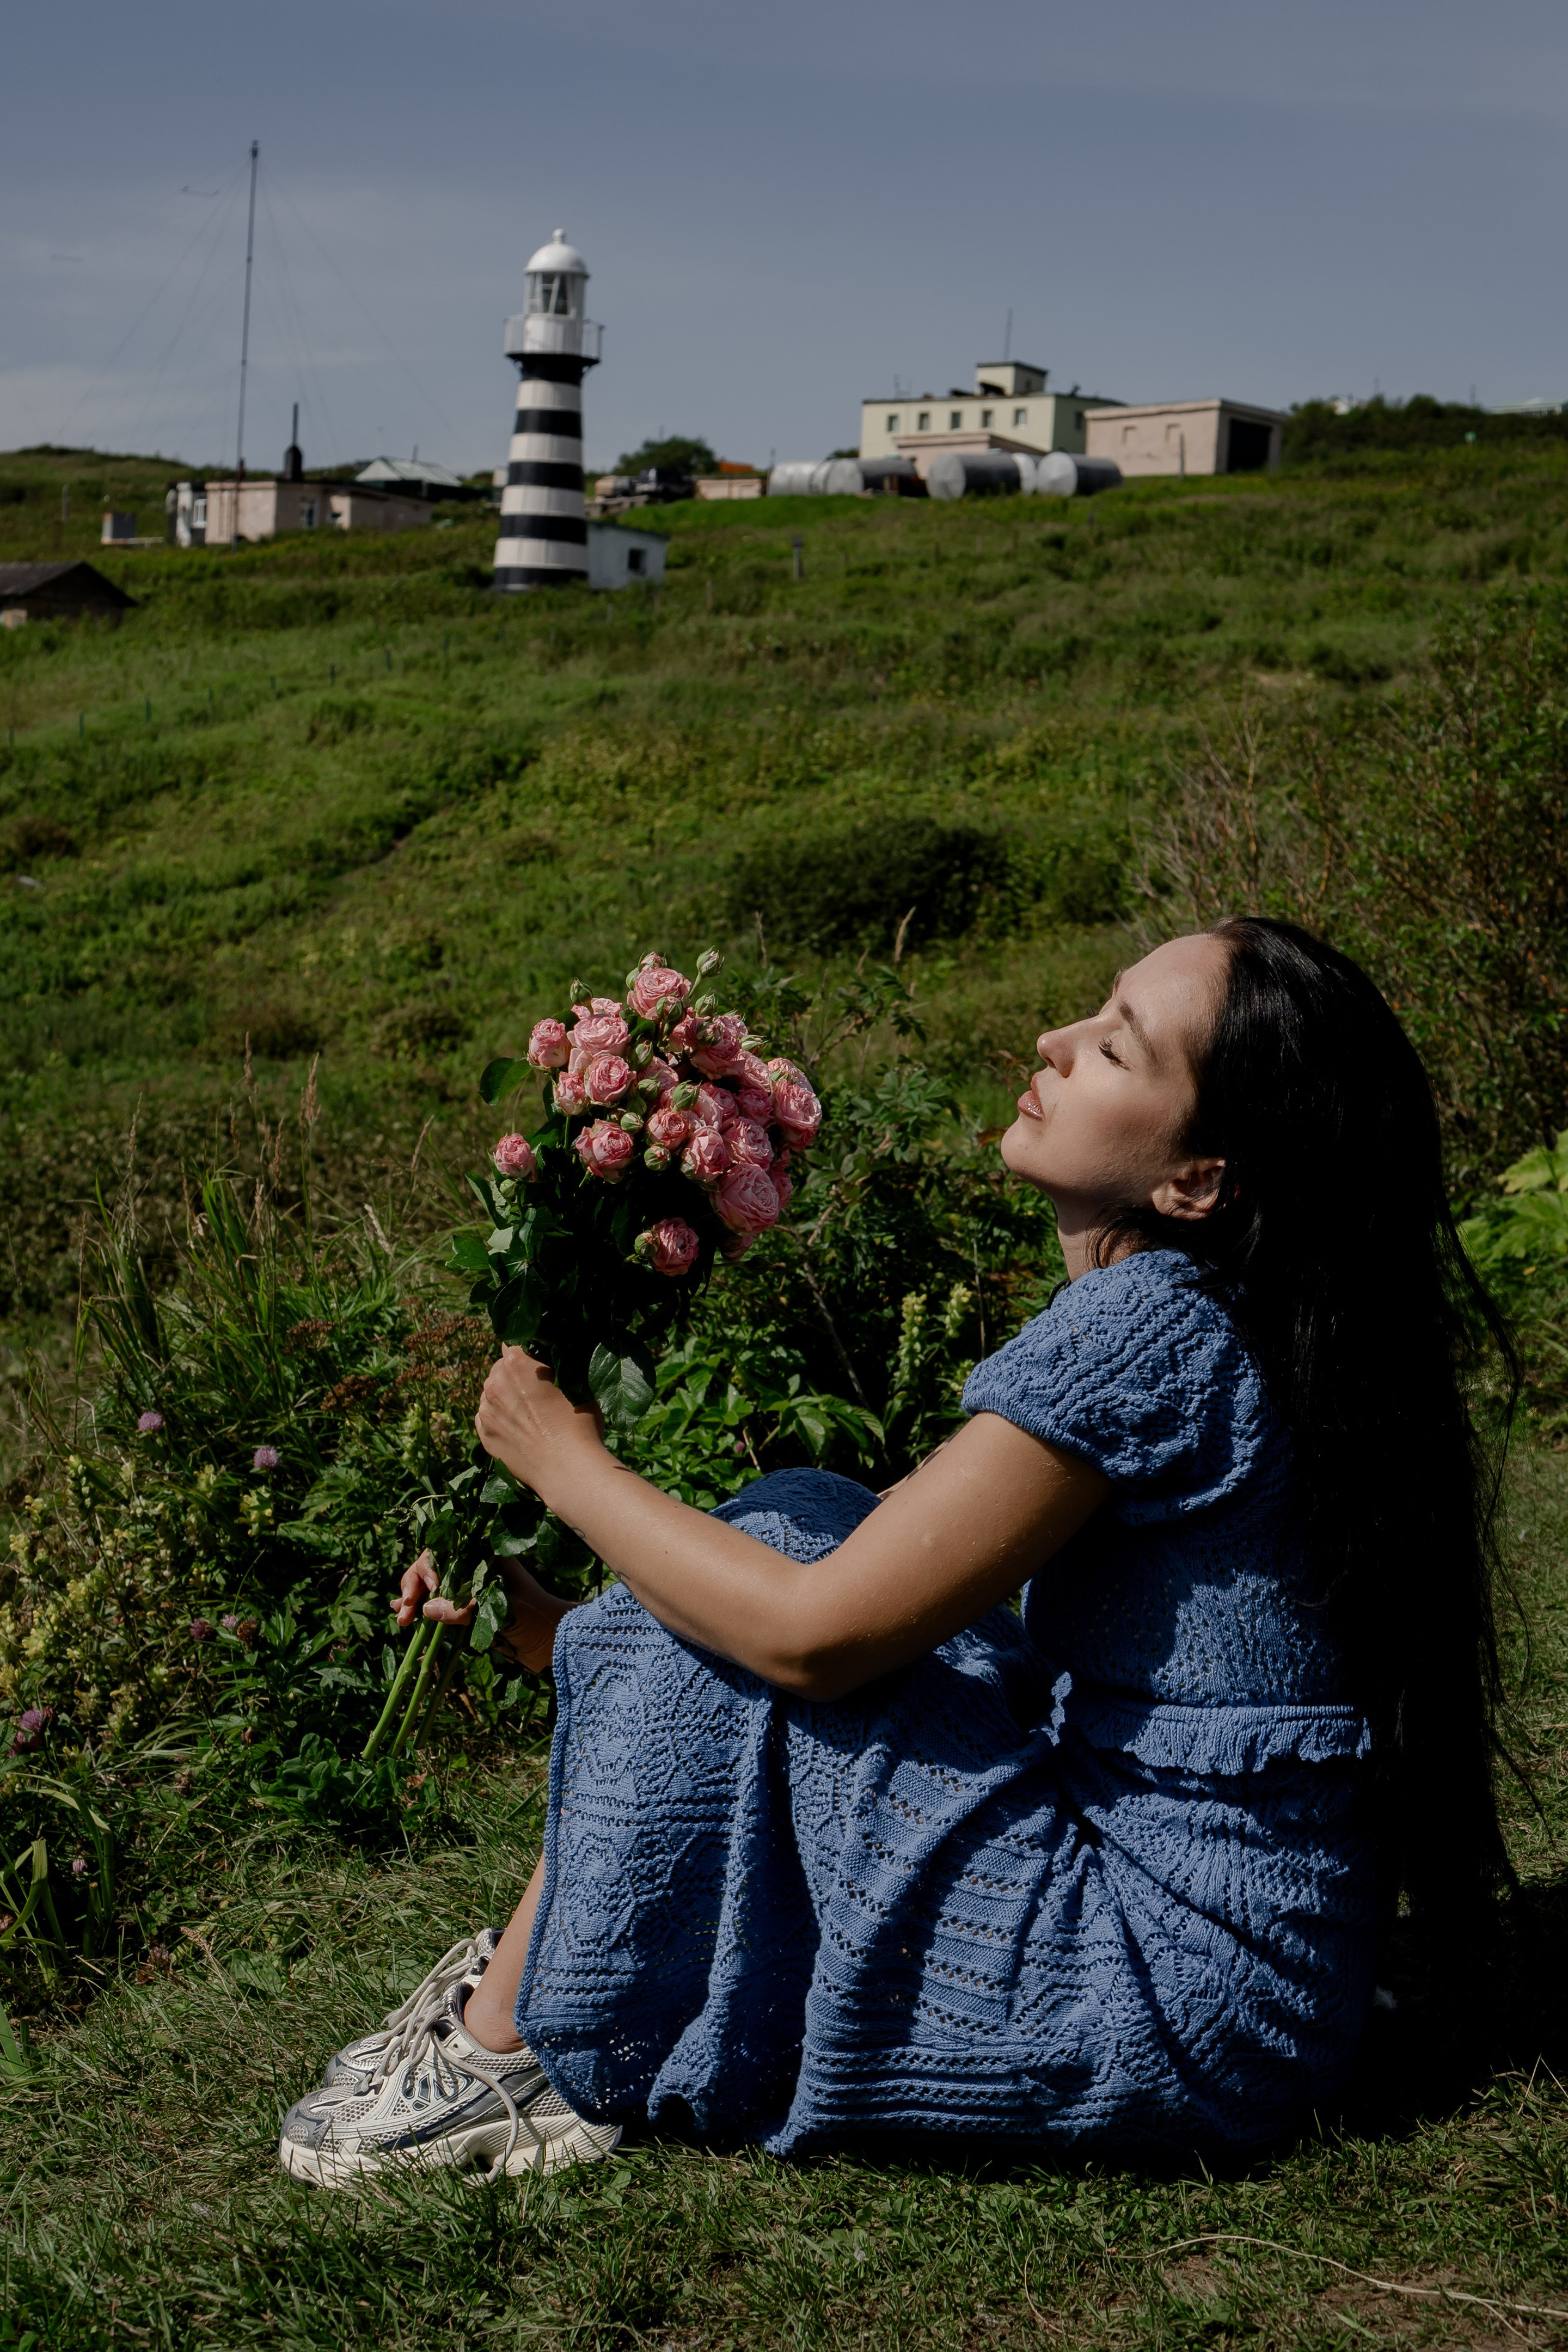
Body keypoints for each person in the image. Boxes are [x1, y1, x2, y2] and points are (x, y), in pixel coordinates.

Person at [278, 918, 1512, 2187]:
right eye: (1093, 1013)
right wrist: (567, 1628)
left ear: (1194, 1181)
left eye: (1115, 1048)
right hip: (1260, 1987)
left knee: (784, 1560)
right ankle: (542, 1879)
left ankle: (511, 2057)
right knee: (807, 1508)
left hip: (1157, 2004)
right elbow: (901, 1612)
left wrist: (567, 1465)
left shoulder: (1152, 1329)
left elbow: (815, 1638)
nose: (1054, 1040)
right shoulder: (1250, 1313)